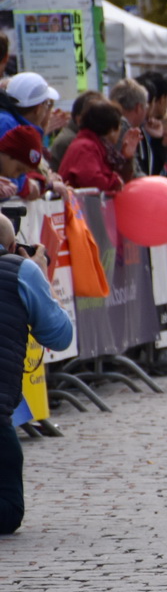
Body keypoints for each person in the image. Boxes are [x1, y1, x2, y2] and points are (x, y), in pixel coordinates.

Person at [0, 216, 73, 534]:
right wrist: (38, 271)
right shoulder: (21, 270)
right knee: (8, 513)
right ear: (13, 246)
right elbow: (59, 335)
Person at [56, 98, 134, 193]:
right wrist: (116, 181)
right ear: (112, 129)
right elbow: (94, 182)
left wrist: (127, 159)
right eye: (119, 125)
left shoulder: (97, 146)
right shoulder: (85, 147)